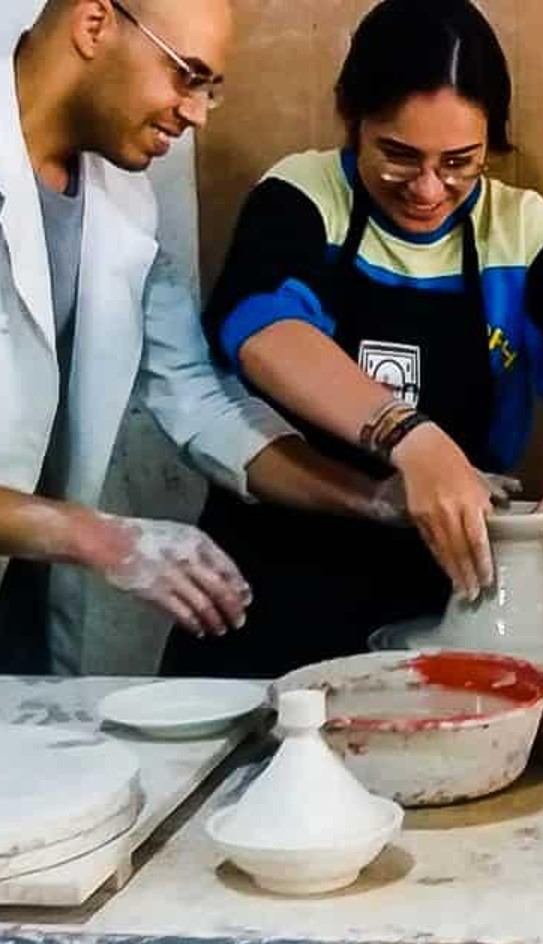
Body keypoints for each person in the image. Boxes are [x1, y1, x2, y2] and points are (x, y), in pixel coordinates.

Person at [162, 0, 543, 944]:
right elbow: (262, 329)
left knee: (417, 918)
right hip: (279, 585)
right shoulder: (301, 198)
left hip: (444, 606)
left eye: (462, 159)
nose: (431, 186)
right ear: (349, 122)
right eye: (399, 155)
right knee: (232, 888)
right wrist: (407, 437)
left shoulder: (522, 235)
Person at [0, 0, 426, 676]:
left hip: (18, 600)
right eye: (185, 76)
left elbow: (196, 398)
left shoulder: (122, 199)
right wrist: (97, 536)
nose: (195, 112)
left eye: (209, 89)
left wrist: (373, 499)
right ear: (93, 24)